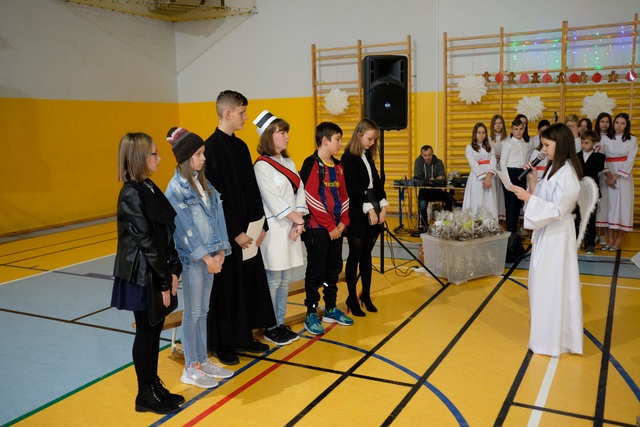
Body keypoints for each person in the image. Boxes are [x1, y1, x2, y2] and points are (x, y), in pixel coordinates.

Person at [111, 132, 184, 414]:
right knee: (146, 331)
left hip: (156, 270)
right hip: (141, 276)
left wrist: (174, 268)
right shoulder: (130, 193)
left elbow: (166, 232)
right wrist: (165, 278)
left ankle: (153, 385)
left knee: (154, 330)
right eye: (154, 153)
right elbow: (146, 242)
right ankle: (145, 394)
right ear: (140, 157)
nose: (159, 158)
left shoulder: (148, 186)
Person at [203, 90, 277, 366]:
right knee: (226, 290)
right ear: (228, 113)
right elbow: (214, 198)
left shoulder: (242, 146)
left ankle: (244, 336)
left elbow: (251, 190)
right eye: (242, 113)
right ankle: (222, 344)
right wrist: (234, 231)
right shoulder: (210, 149)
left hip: (250, 232)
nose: (246, 117)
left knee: (248, 285)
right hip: (228, 235)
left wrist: (261, 224)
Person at [164, 127, 234, 389]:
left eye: (203, 153)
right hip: (194, 261)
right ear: (185, 157)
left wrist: (221, 251)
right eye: (199, 154)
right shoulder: (176, 190)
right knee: (193, 313)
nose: (204, 158)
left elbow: (219, 217)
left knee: (203, 311)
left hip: (212, 257)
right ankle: (190, 366)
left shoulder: (205, 184)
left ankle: (202, 360)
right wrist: (207, 258)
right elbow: (185, 230)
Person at [512, 123, 584, 356]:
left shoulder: (568, 174)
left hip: (557, 236)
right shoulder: (554, 168)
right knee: (542, 285)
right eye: (542, 145)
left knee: (553, 286)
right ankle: (543, 338)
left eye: (546, 145)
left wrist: (528, 198)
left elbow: (557, 210)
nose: (542, 150)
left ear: (560, 145)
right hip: (547, 233)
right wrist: (533, 182)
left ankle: (554, 342)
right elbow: (544, 198)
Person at [253, 111, 307, 345]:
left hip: (292, 228)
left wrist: (298, 220)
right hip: (274, 230)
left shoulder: (289, 162)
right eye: (282, 132)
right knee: (273, 280)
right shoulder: (261, 166)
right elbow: (273, 200)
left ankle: (280, 322)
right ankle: (270, 326)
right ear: (268, 136)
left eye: (287, 132)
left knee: (286, 279)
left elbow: (300, 191)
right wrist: (297, 220)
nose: (287, 137)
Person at [299, 121, 353, 335]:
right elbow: (310, 198)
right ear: (325, 140)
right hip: (318, 230)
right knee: (316, 271)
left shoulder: (339, 167)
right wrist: (330, 226)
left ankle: (330, 308)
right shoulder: (312, 164)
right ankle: (311, 313)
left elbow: (344, 196)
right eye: (337, 139)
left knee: (333, 269)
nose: (340, 143)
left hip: (337, 230)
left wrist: (343, 223)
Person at [341, 118, 388, 317]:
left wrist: (382, 205)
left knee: (367, 254)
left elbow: (376, 182)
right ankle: (352, 297)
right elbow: (353, 188)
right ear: (359, 134)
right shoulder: (348, 157)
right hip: (357, 207)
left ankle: (366, 295)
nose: (372, 142)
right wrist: (369, 209)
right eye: (370, 138)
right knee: (356, 253)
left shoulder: (367, 155)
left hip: (371, 203)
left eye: (374, 139)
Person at [601, 112, 637, 251]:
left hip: (623, 177)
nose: (619, 126)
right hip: (607, 174)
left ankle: (619, 240)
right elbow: (601, 157)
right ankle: (610, 238)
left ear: (627, 125)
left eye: (622, 123)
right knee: (609, 206)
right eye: (617, 123)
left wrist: (615, 177)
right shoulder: (605, 139)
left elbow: (630, 160)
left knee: (623, 206)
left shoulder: (632, 140)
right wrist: (609, 175)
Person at [574, 130, 605, 255]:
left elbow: (598, 168)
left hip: (592, 191)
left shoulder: (600, 156)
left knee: (591, 218)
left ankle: (589, 243)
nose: (583, 145)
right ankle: (576, 241)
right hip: (578, 190)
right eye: (582, 142)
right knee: (577, 217)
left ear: (594, 143)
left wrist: (596, 154)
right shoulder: (576, 155)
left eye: (586, 143)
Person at [413, 145, 457, 228]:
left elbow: (442, 177)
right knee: (422, 204)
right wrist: (433, 179)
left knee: (449, 200)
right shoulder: (418, 162)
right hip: (424, 191)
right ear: (422, 155)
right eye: (425, 155)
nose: (427, 157)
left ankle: (447, 224)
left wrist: (432, 180)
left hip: (437, 190)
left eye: (429, 155)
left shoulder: (438, 162)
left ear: (432, 153)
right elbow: (417, 178)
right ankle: (424, 226)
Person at [462, 122, 498, 218]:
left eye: (483, 132)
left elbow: (493, 162)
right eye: (479, 132)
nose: (481, 135)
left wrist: (488, 177)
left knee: (489, 201)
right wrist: (484, 177)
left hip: (490, 178)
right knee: (477, 200)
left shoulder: (490, 148)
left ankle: (490, 223)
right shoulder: (469, 148)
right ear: (475, 134)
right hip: (477, 178)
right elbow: (473, 164)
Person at [500, 117, 529, 234]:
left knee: (518, 206)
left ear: (524, 129)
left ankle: (515, 235)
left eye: (521, 129)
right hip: (511, 174)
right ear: (511, 130)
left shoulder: (525, 144)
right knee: (511, 207)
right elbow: (502, 162)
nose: (518, 131)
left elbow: (525, 161)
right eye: (516, 129)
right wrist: (507, 181)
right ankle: (510, 235)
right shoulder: (508, 144)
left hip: (522, 174)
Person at [594, 112, 612, 246]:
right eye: (602, 121)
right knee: (595, 204)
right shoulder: (594, 137)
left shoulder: (612, 138)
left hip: (608, 173)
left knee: (605, 204)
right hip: (596, 174)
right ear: (598, 123)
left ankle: (602, 234)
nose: (605, 124)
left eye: (607, 122)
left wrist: (609, 174)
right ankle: (594, 233)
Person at [489, 114, 507, 221]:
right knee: (493, 191)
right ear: (492, 125)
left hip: (503, 166)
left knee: (502, 192)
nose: (498, 125)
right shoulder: (489, 139)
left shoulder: (507, 139)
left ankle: (501, 216)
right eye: (496, 123)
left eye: (500, 123)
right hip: (493, 166)